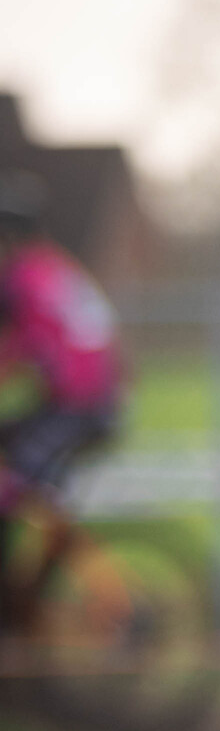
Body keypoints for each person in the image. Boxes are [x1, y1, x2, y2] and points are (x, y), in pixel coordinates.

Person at [0, 169, 127, 499]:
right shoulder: (51, 266)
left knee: (13, 487)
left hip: (76, 406)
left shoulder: (22, 278)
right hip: (97, 400)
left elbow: (14, 347)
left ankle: (45, 535)